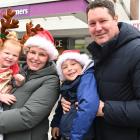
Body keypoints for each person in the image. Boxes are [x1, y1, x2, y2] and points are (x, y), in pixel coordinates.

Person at [61, 0, 140, 140]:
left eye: (103, 21)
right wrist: (68, 99)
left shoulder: (136, 51)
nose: (98, 28)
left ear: (115, 19)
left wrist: (104, 109)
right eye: (92, 23)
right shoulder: (98, 54)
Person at [0, 29, 60, 140]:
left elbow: (28, 116)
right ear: (27, 53)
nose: (35, 58)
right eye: (32, 52)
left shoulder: (51, 80)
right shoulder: (20, 73)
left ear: (48, 58)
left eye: (42, 54)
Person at [51, 50, 99, 140]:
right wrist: (56, 123)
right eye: (64, 67)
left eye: (73, 64)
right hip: (66, 133)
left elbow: (87, 107)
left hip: (81, 136)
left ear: (81, 66)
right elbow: (60, 108)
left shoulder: (85, 81)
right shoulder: (66, 86)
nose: (69, 68)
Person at [0, 32, 25, 140]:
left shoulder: (14, 69)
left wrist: (19, 82)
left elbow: (13, 84)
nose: (10, 57)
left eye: (15, 55)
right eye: (7, 53)